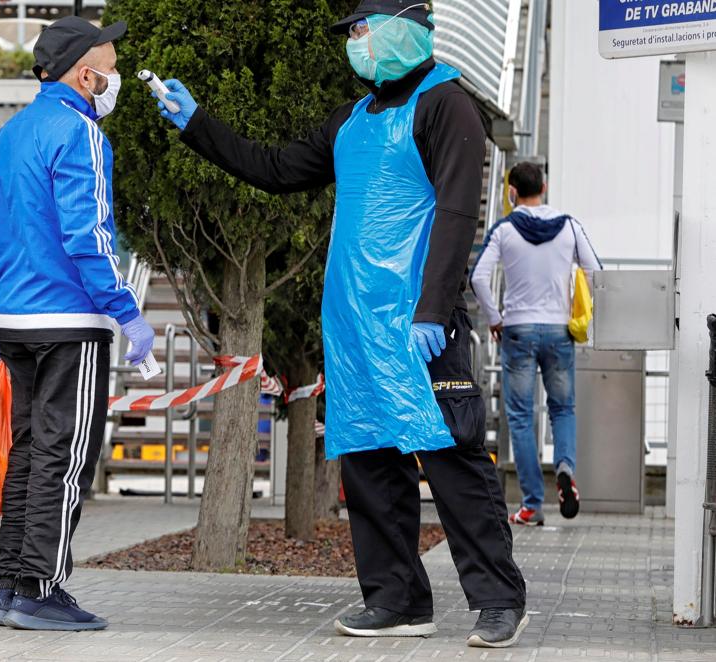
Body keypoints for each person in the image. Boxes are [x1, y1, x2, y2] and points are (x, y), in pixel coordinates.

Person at [152, 0, 529, 648]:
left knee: (452, 464)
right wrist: (197, 125)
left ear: (403, 29)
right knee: (369, 468)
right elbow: (273, 170)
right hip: (355, 329)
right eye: (352, 33)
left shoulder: (446, 106)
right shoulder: (350, 122)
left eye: (362, 29)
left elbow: (459, 213)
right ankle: (396, 599)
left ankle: (497, 601)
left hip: (418, 326)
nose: (354, 42)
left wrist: (435, 308)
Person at [0, 16, 153, 631]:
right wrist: (128, 314)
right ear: (86, 73)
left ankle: (9, 585)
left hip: (16, 319)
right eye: (110, 64)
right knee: (65, 457)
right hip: (69, 319)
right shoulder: (80, 133)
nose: (115, 76)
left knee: (28, 454)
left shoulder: (9, 135)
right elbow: (90, 234)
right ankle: (39, 589)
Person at [471, 161, 601, 526]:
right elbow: (594, 270)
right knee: (563, 408)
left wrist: (494, 318)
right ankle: (564, 466)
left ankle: (531, 504)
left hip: (518, 330)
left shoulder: (504, 230)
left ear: (512, 191)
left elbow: (479, 277)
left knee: (521, 416)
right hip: (560, 330)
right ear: (543, 186)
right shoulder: (569, 226)